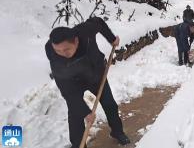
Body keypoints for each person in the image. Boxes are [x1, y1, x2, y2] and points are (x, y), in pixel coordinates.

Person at [45, 17, 130, 148]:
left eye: (66, 49)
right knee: (75, 114)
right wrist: (85, 112)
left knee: (110, 105)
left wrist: (112, 39)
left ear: (76, 41)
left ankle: (117, 132)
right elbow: (67, 91)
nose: (62, 54)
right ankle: (78, 144)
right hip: (73, 83)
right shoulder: (53, 55)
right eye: (58, 50)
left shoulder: (85, 31)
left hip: (96, 75)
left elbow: (99, 22)